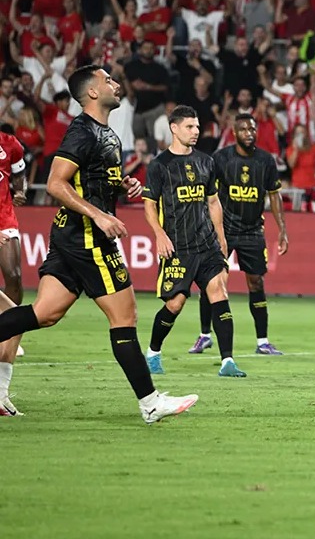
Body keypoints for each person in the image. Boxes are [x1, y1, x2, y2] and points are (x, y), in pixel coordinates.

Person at [0, 65, 198, 423]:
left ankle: (151, 402)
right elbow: (56, 184)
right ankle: (150, 403)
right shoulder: (81, 131)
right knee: (125, 316)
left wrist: (121, 185)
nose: (116, 83)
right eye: (108, 80)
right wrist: (101, 216)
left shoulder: (107, 134)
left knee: (45, 313)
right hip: (88, 237)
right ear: (92, 92)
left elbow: (93, 177)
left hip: (71, 235)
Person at [142, 105, 246, 378]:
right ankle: (153, 352)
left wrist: (221, 237)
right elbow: (150, 205)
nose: (196, 131)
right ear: (174, 128)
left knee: (219, 293)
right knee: (175, 303)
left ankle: (227, 362)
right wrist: (159, 234)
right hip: (178, 246)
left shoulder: (206, 161)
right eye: (190, 126)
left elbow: (213, 201)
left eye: (197, 127)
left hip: (207, 244)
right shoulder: (159, 165)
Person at [191, 113, 289, 356]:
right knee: (212, 282)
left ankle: (262, 341)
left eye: (252, 129)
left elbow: (274, 195)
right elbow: (209, 195)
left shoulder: (266, 161)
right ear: (234, 133)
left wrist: (283, 229)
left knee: (256, 282)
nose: (249, 133)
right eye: (243, 129)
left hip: (253, 230)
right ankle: (205, 335)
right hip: (224, 230)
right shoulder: (221, 159)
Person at [0, 131, 26, 413]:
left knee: (16, 316)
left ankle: (0, 396)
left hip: (4, 218)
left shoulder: (9, 144)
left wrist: (21, 191)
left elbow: (20, 176)